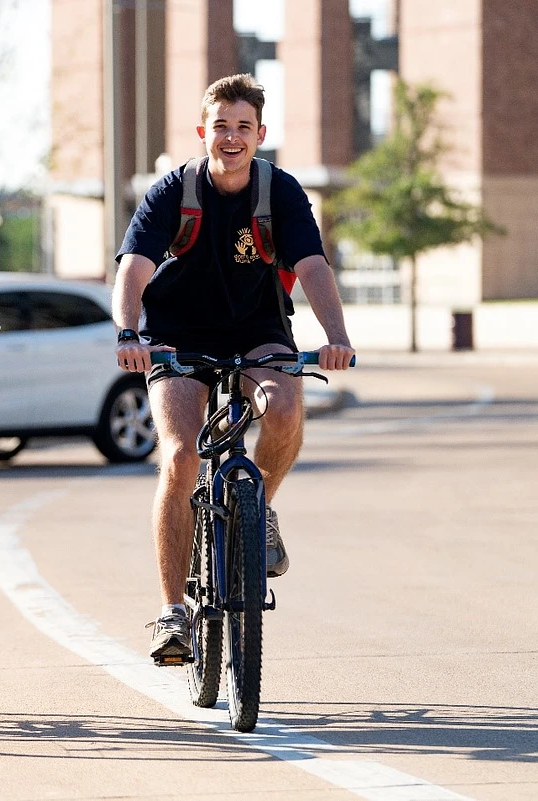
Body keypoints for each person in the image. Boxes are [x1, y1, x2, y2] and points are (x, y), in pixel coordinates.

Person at [111, 74, 356, 663]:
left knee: (287, 408)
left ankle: (257, 512)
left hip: (258, 332)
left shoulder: (282, 193)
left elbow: (314, 267)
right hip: (176, 337)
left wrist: (336, 336)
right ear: (204, 132)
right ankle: (173, 614)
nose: (231, 136)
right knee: (179, 456)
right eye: (221, 126)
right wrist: (128, 331)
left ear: (260, 135)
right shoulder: (173, 191)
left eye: (243, 127)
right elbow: (135, 266)